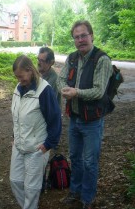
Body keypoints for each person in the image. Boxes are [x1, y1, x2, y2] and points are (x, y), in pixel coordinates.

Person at [57, 20, 113, 209]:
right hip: (74, 117)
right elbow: (61, 78)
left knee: (90, 162)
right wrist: (64, 89)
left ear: (91, 36)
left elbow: (99, 91)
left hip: (92, 122)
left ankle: (87, 198)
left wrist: (76, 92)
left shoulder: (102, 59)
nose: (80, 40)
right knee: (75, 157)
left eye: (83, 35)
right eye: (76, 37)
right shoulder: (72, 58)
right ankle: (75, 191)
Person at [10, 55, 62, 209]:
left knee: (32, 188)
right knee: (15, 181)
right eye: (17, 77)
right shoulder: (18, 89)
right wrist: (14, 136)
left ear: (30, 70)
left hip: (37, 147)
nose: (19, 80)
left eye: (21, 76)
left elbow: (55, 119)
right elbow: (17, 116)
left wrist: (48, 144)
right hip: (19, 145)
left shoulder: (44, 90)